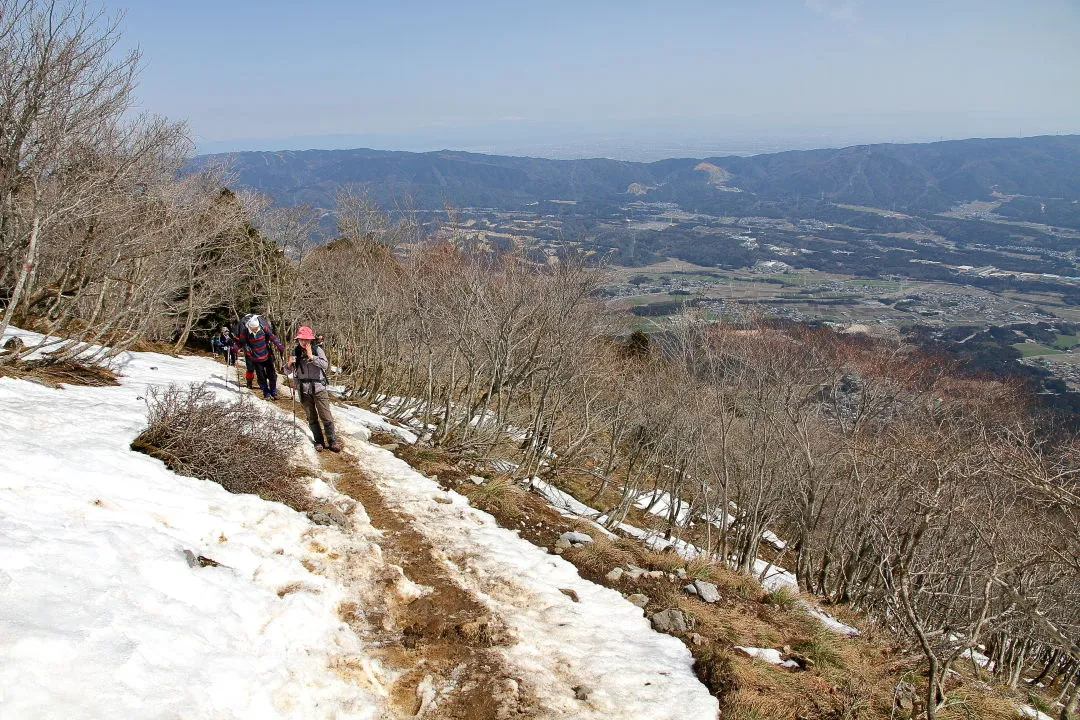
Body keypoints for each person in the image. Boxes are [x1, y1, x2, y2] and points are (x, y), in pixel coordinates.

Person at [287, 326, 340, 452]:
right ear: (298, 340)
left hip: (319, 388)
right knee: (311, 417)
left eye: (307, 339)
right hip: (303, 389)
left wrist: (312, 357)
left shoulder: (317, 350)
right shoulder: (295, 352)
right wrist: (288, 364)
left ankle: (332, 441)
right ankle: (319, 441)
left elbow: (325, 365)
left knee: (326, 415)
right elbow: (288, 371)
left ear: (311, 340)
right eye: (301, 339)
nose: (304, 342)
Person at [234, 314, 284, 399]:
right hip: (255, 358)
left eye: (256, 328)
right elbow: (241, 342)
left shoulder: (263, 328)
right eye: (254, 329)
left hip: (267, 355)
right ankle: (266, 393)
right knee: (261, 377)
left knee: (272, 375)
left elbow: (272, 336)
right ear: (250, 327)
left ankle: (273, 391)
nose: (256, 329)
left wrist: (278, 344)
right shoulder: (245, 332)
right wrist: (235, 347)